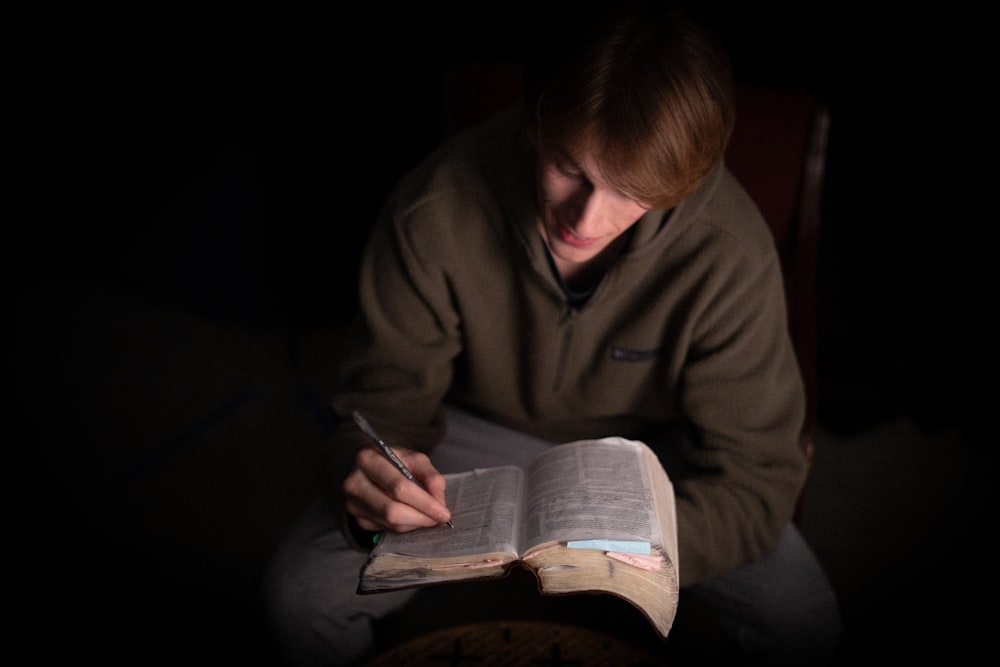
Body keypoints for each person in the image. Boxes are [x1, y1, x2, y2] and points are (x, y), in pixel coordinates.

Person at [262, 2, 841, 664]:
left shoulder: (730, 251)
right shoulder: (435, 208)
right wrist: (365, 475)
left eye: (630, 193)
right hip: (467, 436)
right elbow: (378, 409)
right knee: (297, 595)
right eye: (569, 167)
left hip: (647, 456)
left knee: (804, 616)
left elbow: (760, 479)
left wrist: (616, 556)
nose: (586, 219)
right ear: (538, 123)